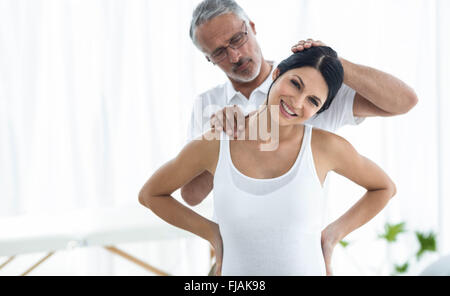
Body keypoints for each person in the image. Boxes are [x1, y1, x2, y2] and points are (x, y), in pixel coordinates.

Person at [138, 46, 397, 275]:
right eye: (295, 84)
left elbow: (384, 187)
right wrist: (213, 234)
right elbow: (152, 194)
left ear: (319, 110)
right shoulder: (219, 140)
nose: (296, 102)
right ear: (276, 74)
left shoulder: (325, 147)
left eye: (313, 101)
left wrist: (333, 235)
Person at [182, 0, 417, 207]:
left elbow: (405, 101)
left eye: (237, 39)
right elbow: (191, 195)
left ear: (252, 27)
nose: (235, 55)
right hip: (235, 249)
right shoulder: (208, 103)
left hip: (302, 247)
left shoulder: (312, 87)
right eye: (219, 52)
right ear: (208, 59)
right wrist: (221, 138)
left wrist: (332, 60)